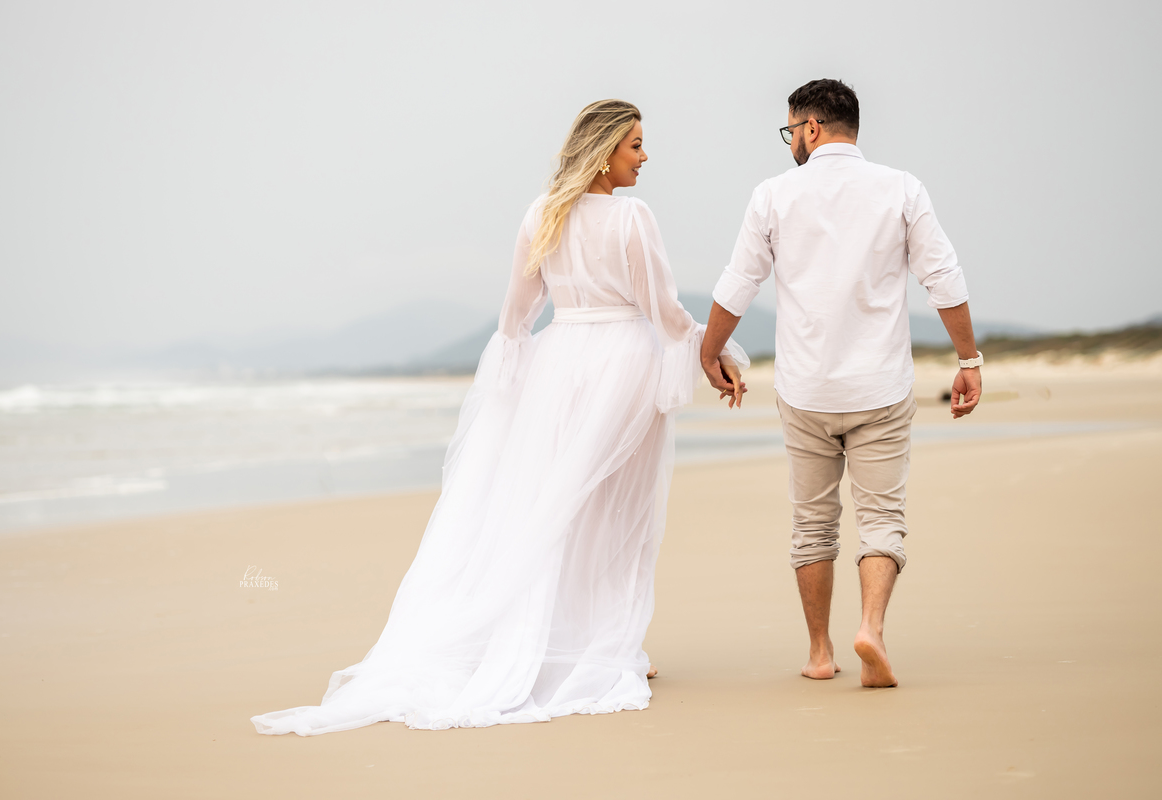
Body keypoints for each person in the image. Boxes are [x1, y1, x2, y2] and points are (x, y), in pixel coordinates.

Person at [251, 99, 749, 735]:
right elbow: (664, 310)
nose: (645, 157)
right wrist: (715, 350)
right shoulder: (632, 217)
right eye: (635, 146)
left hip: (558, 362)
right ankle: (609, 646)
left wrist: (517, 383)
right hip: (623, 364)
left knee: (553, 505)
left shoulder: (541, 214)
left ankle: (568, 639)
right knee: (618, 509)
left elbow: (515, 316)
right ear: (604, 153)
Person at [700, 79, 982, 688]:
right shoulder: (901, 188)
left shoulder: (772, 196)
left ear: (812, 128)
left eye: (791, 131)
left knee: (813, 523)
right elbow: (944, 277)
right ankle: (872, 630)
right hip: (879, 387)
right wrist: (969, 360)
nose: (790, 143)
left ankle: (820, 652)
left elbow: (738, 282)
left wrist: (710, 350)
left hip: (806, 391)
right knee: (882, 517)